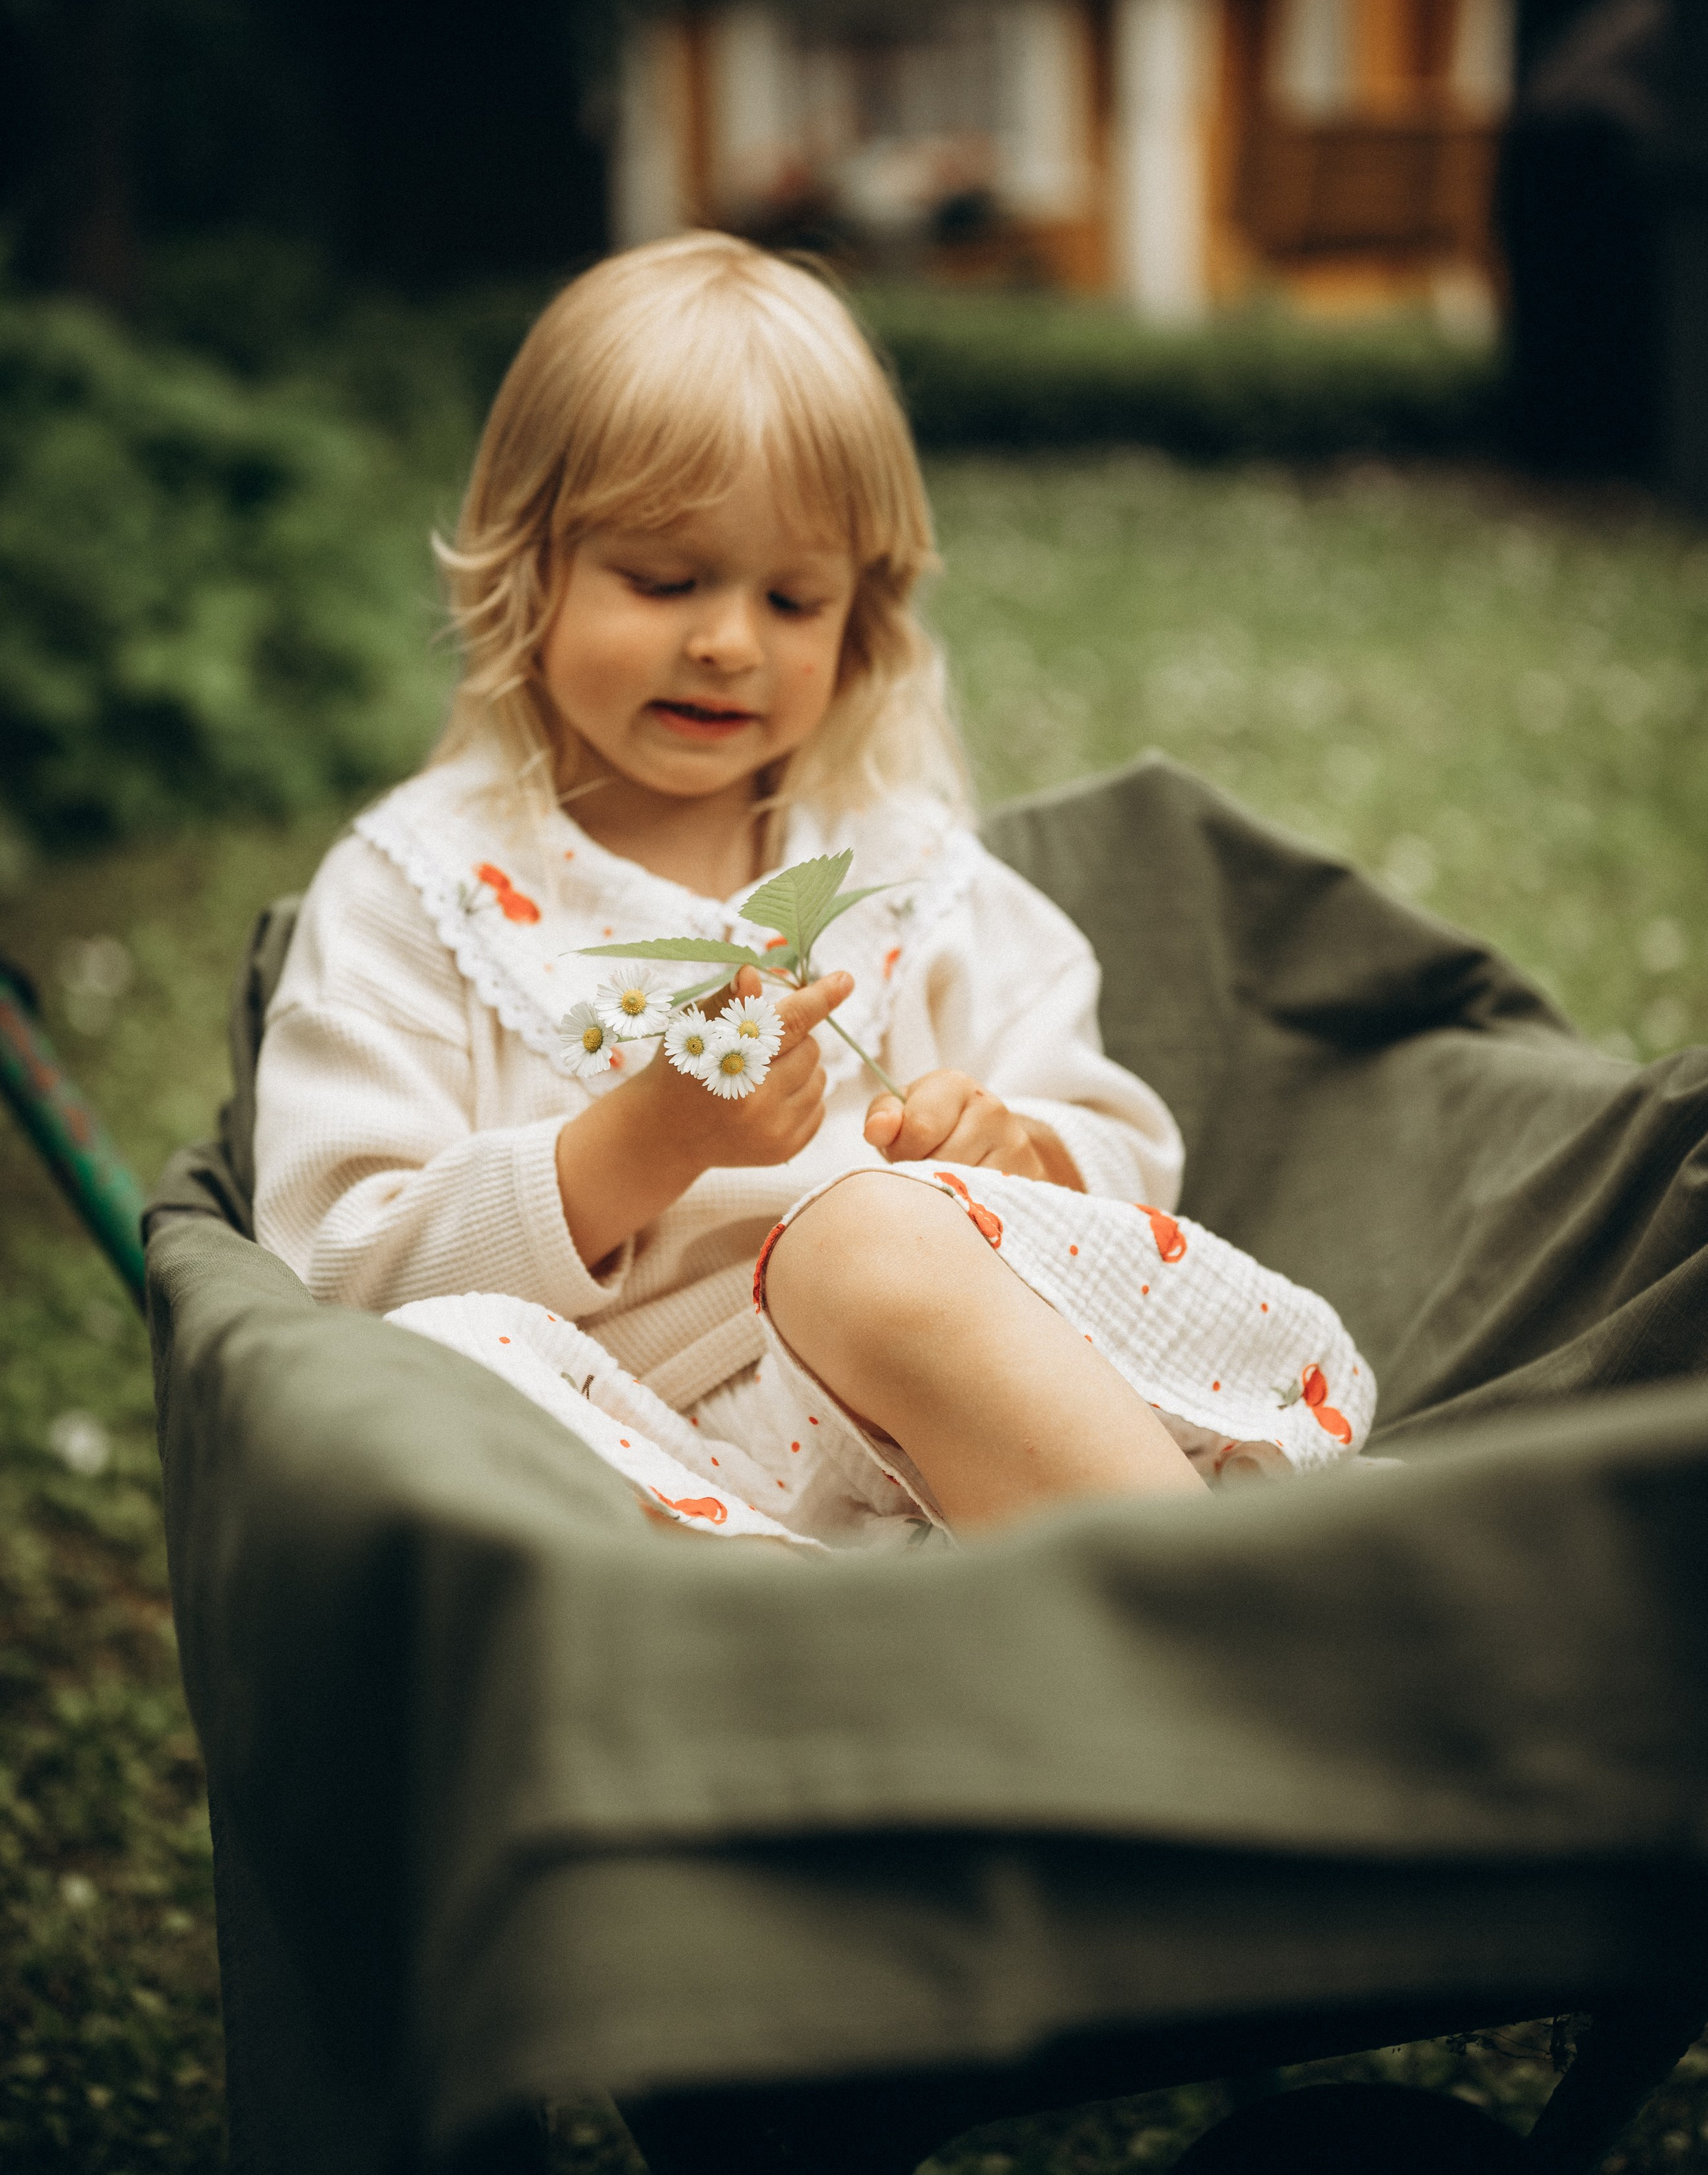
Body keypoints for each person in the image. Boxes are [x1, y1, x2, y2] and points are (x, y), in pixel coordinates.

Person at [253, 233, 1374, 1548]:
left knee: (861, 1245)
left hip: (964, 1415)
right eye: (662, 579)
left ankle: (1222, 1614)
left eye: (792, 599)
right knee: (450, 1360)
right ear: (527, 567)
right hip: (645, 1461)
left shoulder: (899, 872)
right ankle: (839, 1653)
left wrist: (1020, 1152)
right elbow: (337, 1274)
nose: (727, 640)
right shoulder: (418, 894)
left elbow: (1123, 1156)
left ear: (863, 624)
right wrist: (638, 1145)